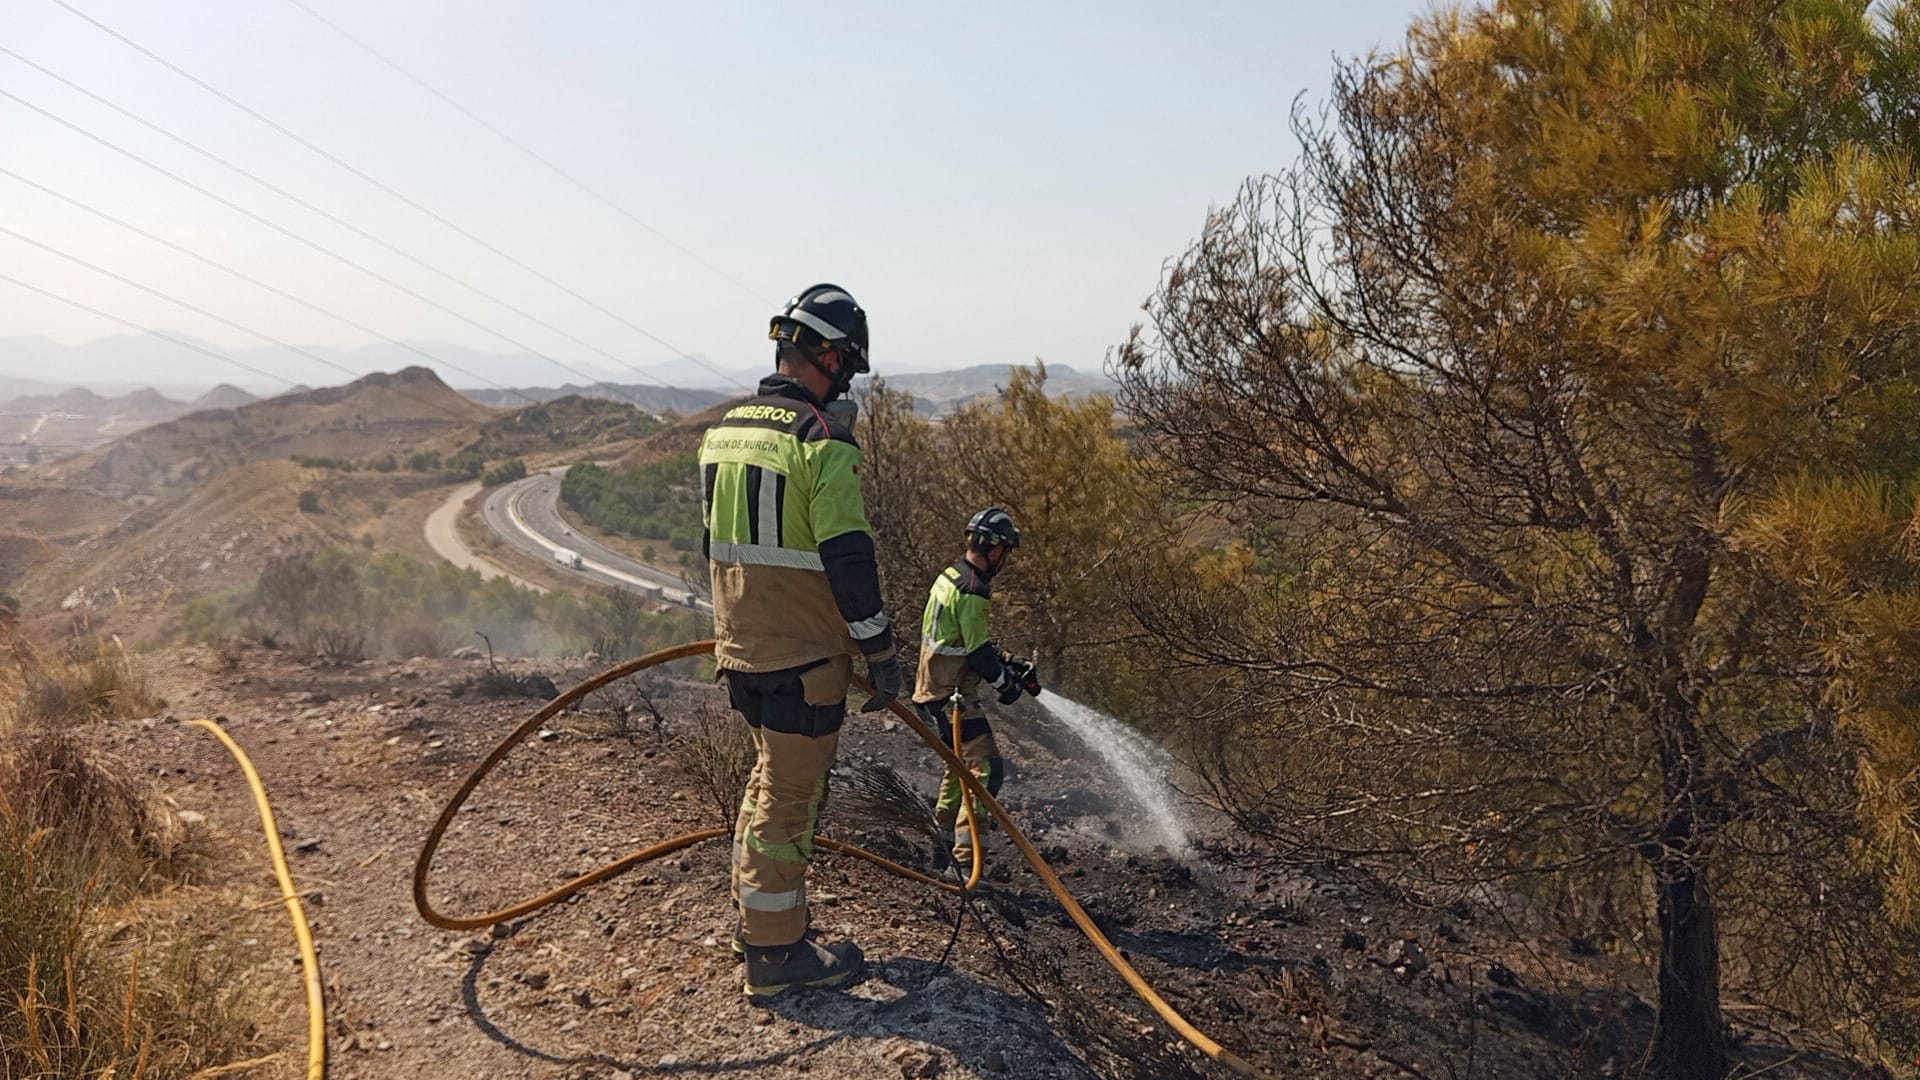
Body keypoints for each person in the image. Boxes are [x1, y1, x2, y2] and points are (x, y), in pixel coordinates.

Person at [698, 283, 903, 999]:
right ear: (821, 353)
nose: (848, 377)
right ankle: (777, 959)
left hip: (742, 650)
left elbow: (712, 543)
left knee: (766, 787)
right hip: (804, 660)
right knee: (790, 804)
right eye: (845, 362)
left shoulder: (725, 430)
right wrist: (880, 653)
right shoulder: (820, 439)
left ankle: (757, 927)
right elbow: (850, 559)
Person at [911, 507, 1041, 870]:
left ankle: (941, 851)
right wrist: (1006, 686)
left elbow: (966, 640)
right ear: (996, 549)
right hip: (951, 695)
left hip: (932, 689)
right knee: (987, 770)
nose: (1005, 559)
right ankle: (968, 863)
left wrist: (1008, 660)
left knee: (960, 769)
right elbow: (977, 651)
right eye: (1006, 551)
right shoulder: (974, 590)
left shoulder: (951, 576)